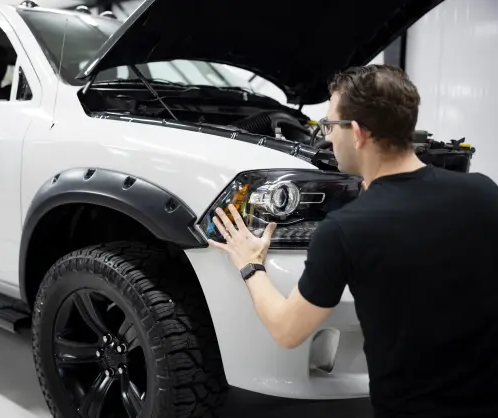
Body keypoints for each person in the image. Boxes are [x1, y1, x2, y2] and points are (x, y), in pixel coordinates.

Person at [208, 64, 498, 418]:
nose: (327, 138)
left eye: (330, 125)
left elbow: (287, 330)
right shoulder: (483, 192)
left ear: (358, 132)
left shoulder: (346, 230)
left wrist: (250, 265)